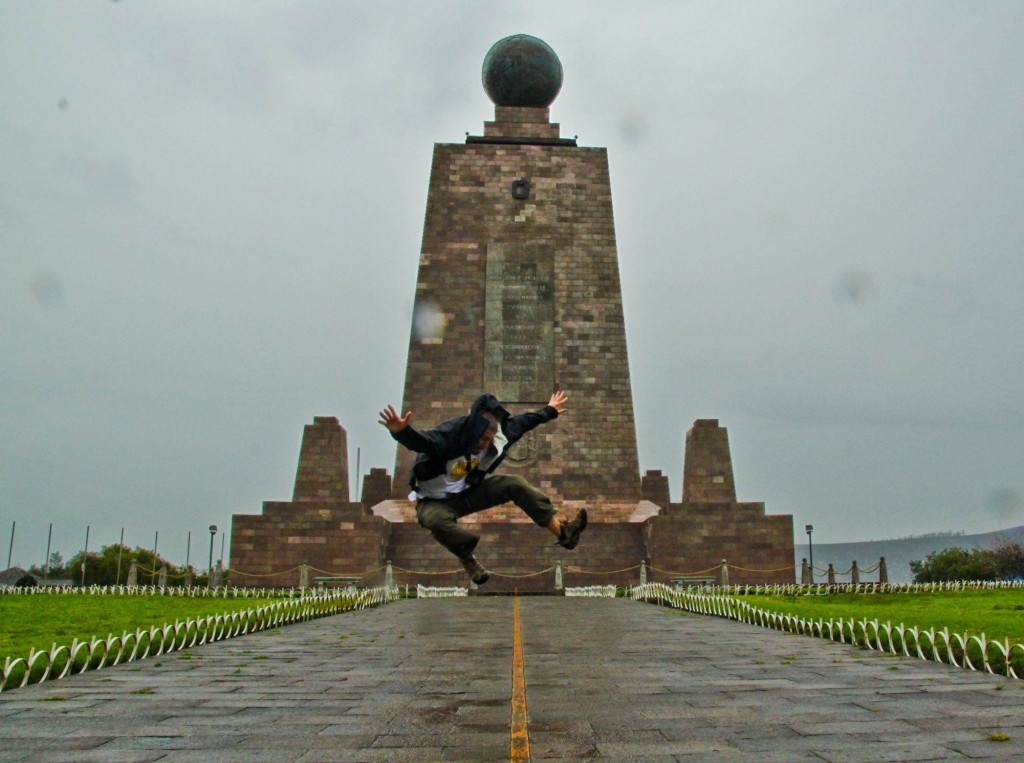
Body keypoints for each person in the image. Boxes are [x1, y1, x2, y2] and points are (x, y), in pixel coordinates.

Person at [378, 390, 588, 585]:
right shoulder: (451, 435)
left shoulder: (499, 435)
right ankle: (469, 561)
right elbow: (424, 441)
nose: (482, 444)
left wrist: (549, 410)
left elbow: (524, 422)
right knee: (437, 521)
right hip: (433, 501)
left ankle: (564, 533)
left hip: (466, 493)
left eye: (487, 440)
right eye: (479, 439)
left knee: (514, 484)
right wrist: (401, 432)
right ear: (471, 432)